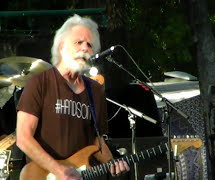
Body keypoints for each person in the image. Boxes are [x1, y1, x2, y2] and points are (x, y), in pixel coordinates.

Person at [16, 14, 130, 179]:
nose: (84, 48)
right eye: (78, 42)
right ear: (61, 46)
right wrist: (58, 170)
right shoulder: (39, 83)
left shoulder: (95, 90)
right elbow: (23, 138)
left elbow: (96, 142)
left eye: (89, 45)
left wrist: (113, 164)